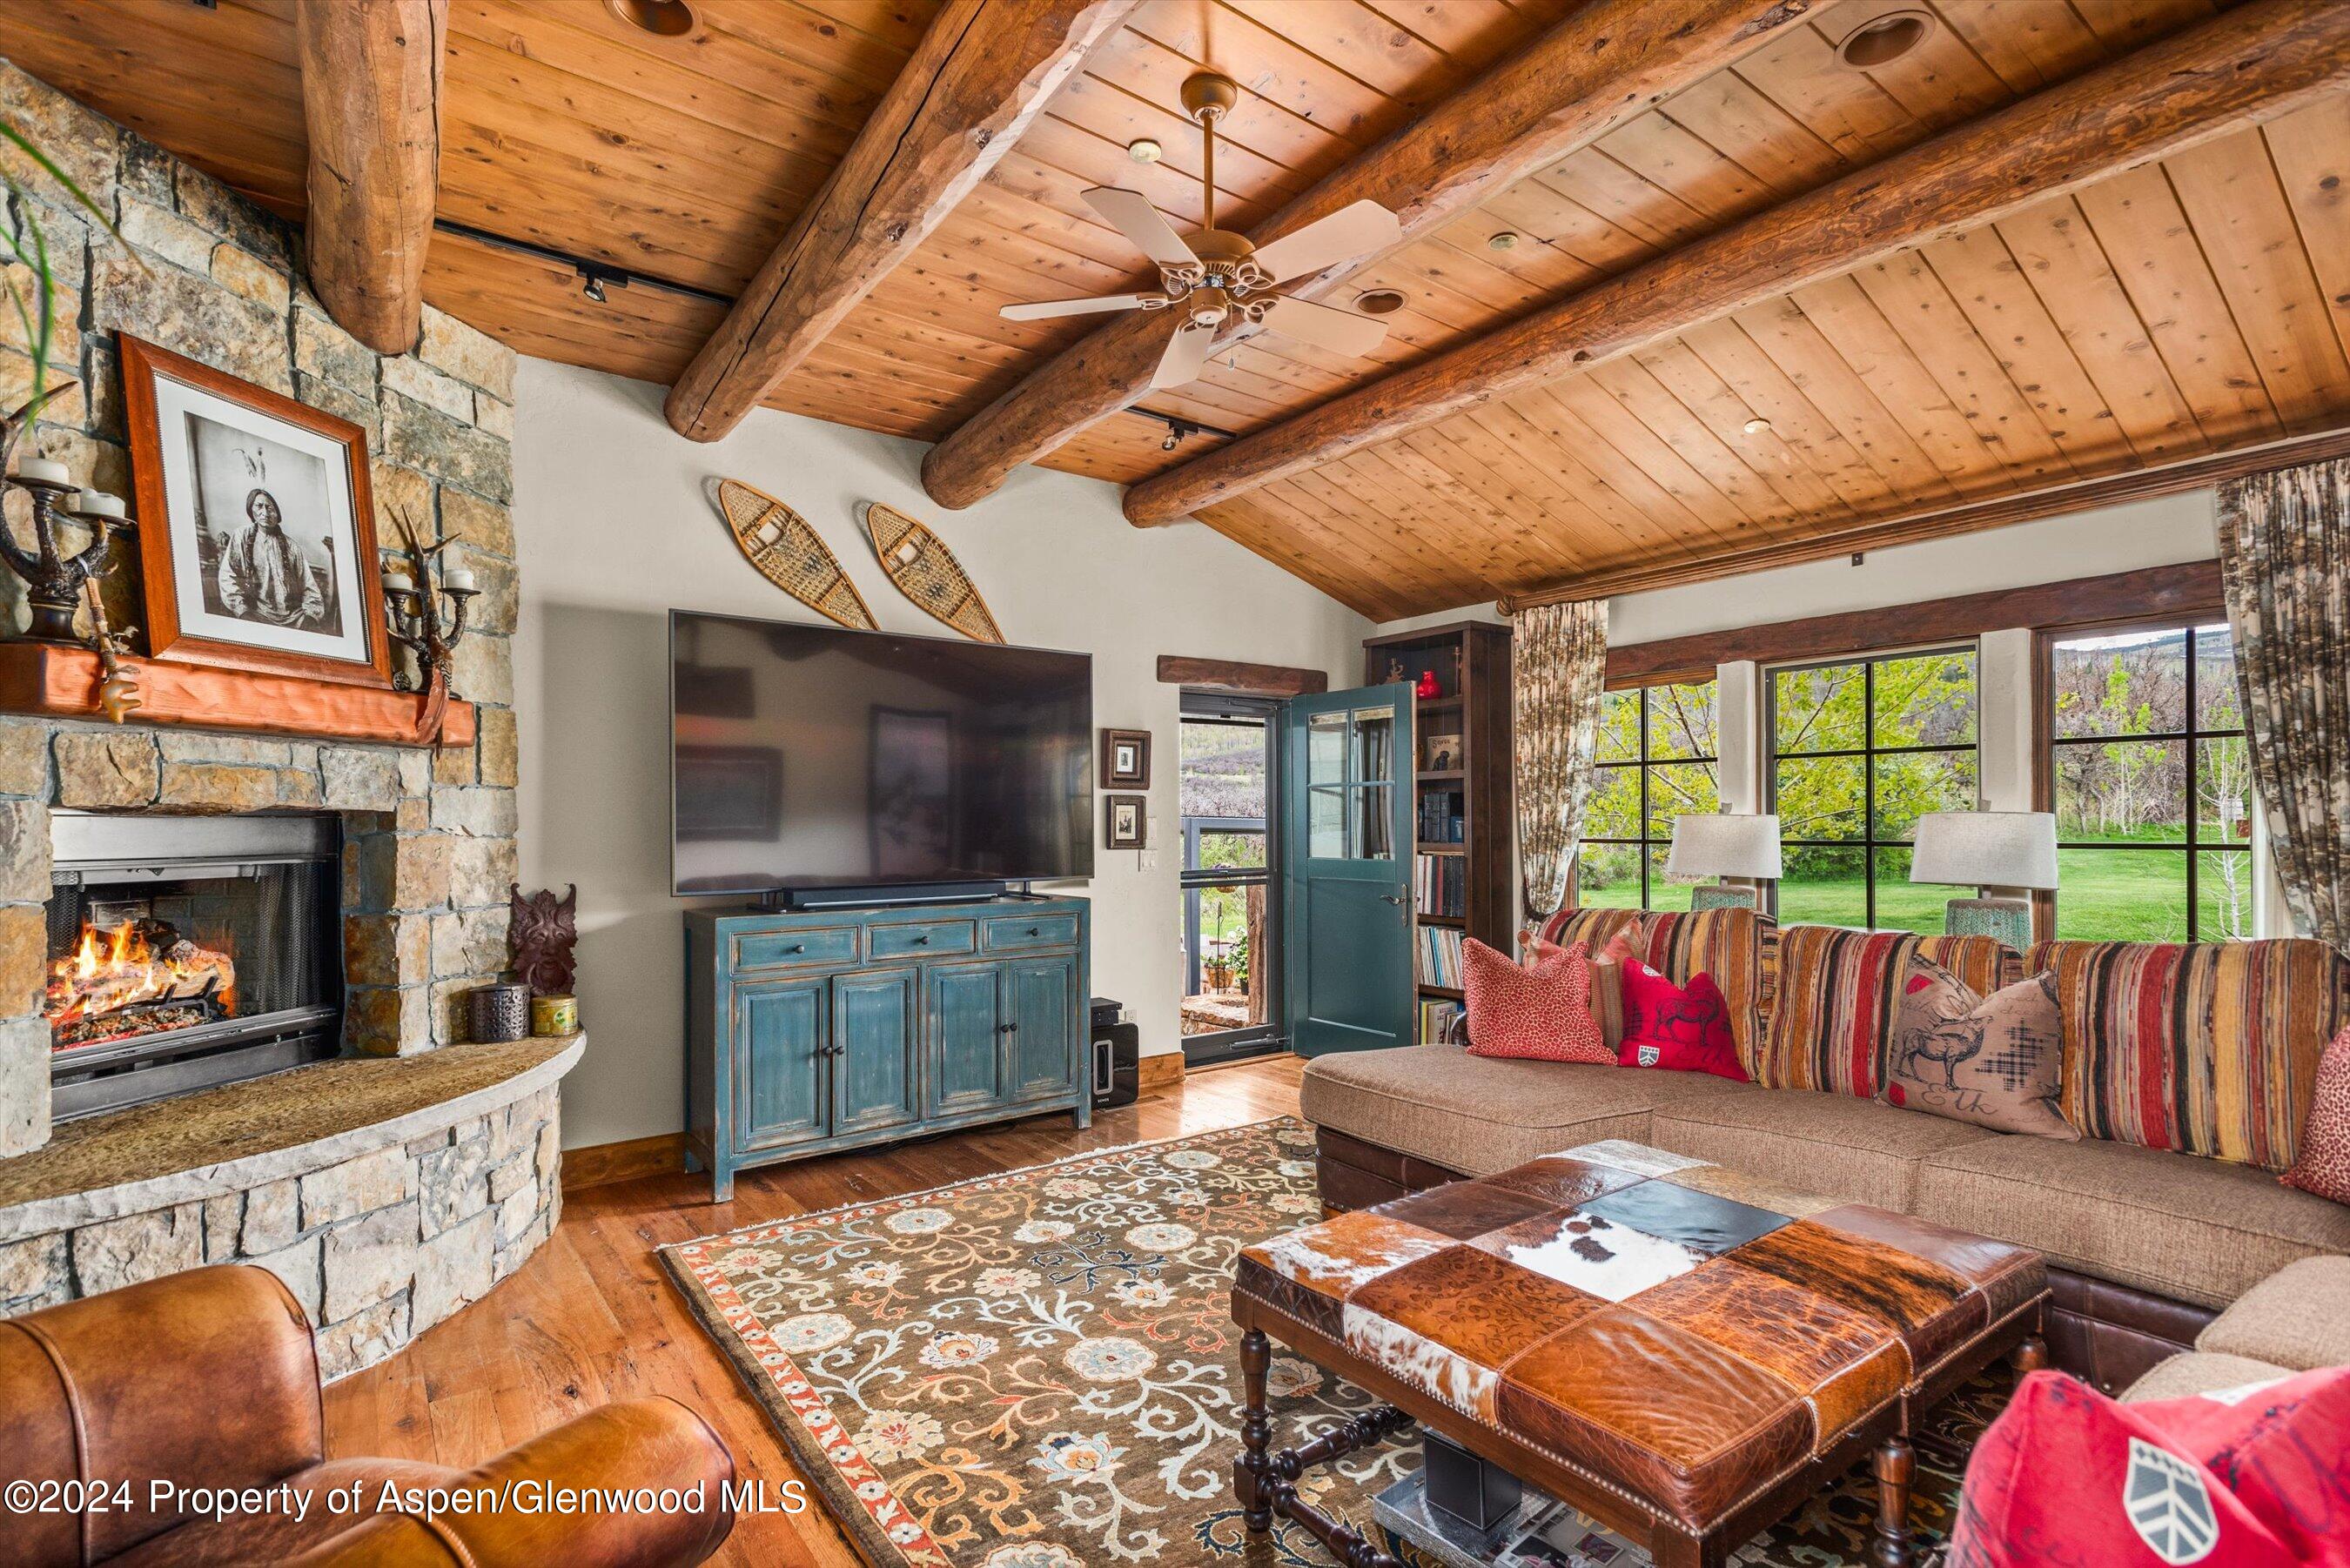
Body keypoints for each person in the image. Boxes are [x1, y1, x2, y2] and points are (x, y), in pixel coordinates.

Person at [216, 487, 325, 628]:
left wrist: (310, 617)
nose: (265, 513)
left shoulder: (292, 547)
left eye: (269, 508)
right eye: (259, 506)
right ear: (251, 510)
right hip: (257, 614)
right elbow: (228, 577)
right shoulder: (241, 536)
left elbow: (309, 587)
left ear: (277, 514)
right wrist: (242, 611)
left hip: (294, 617)